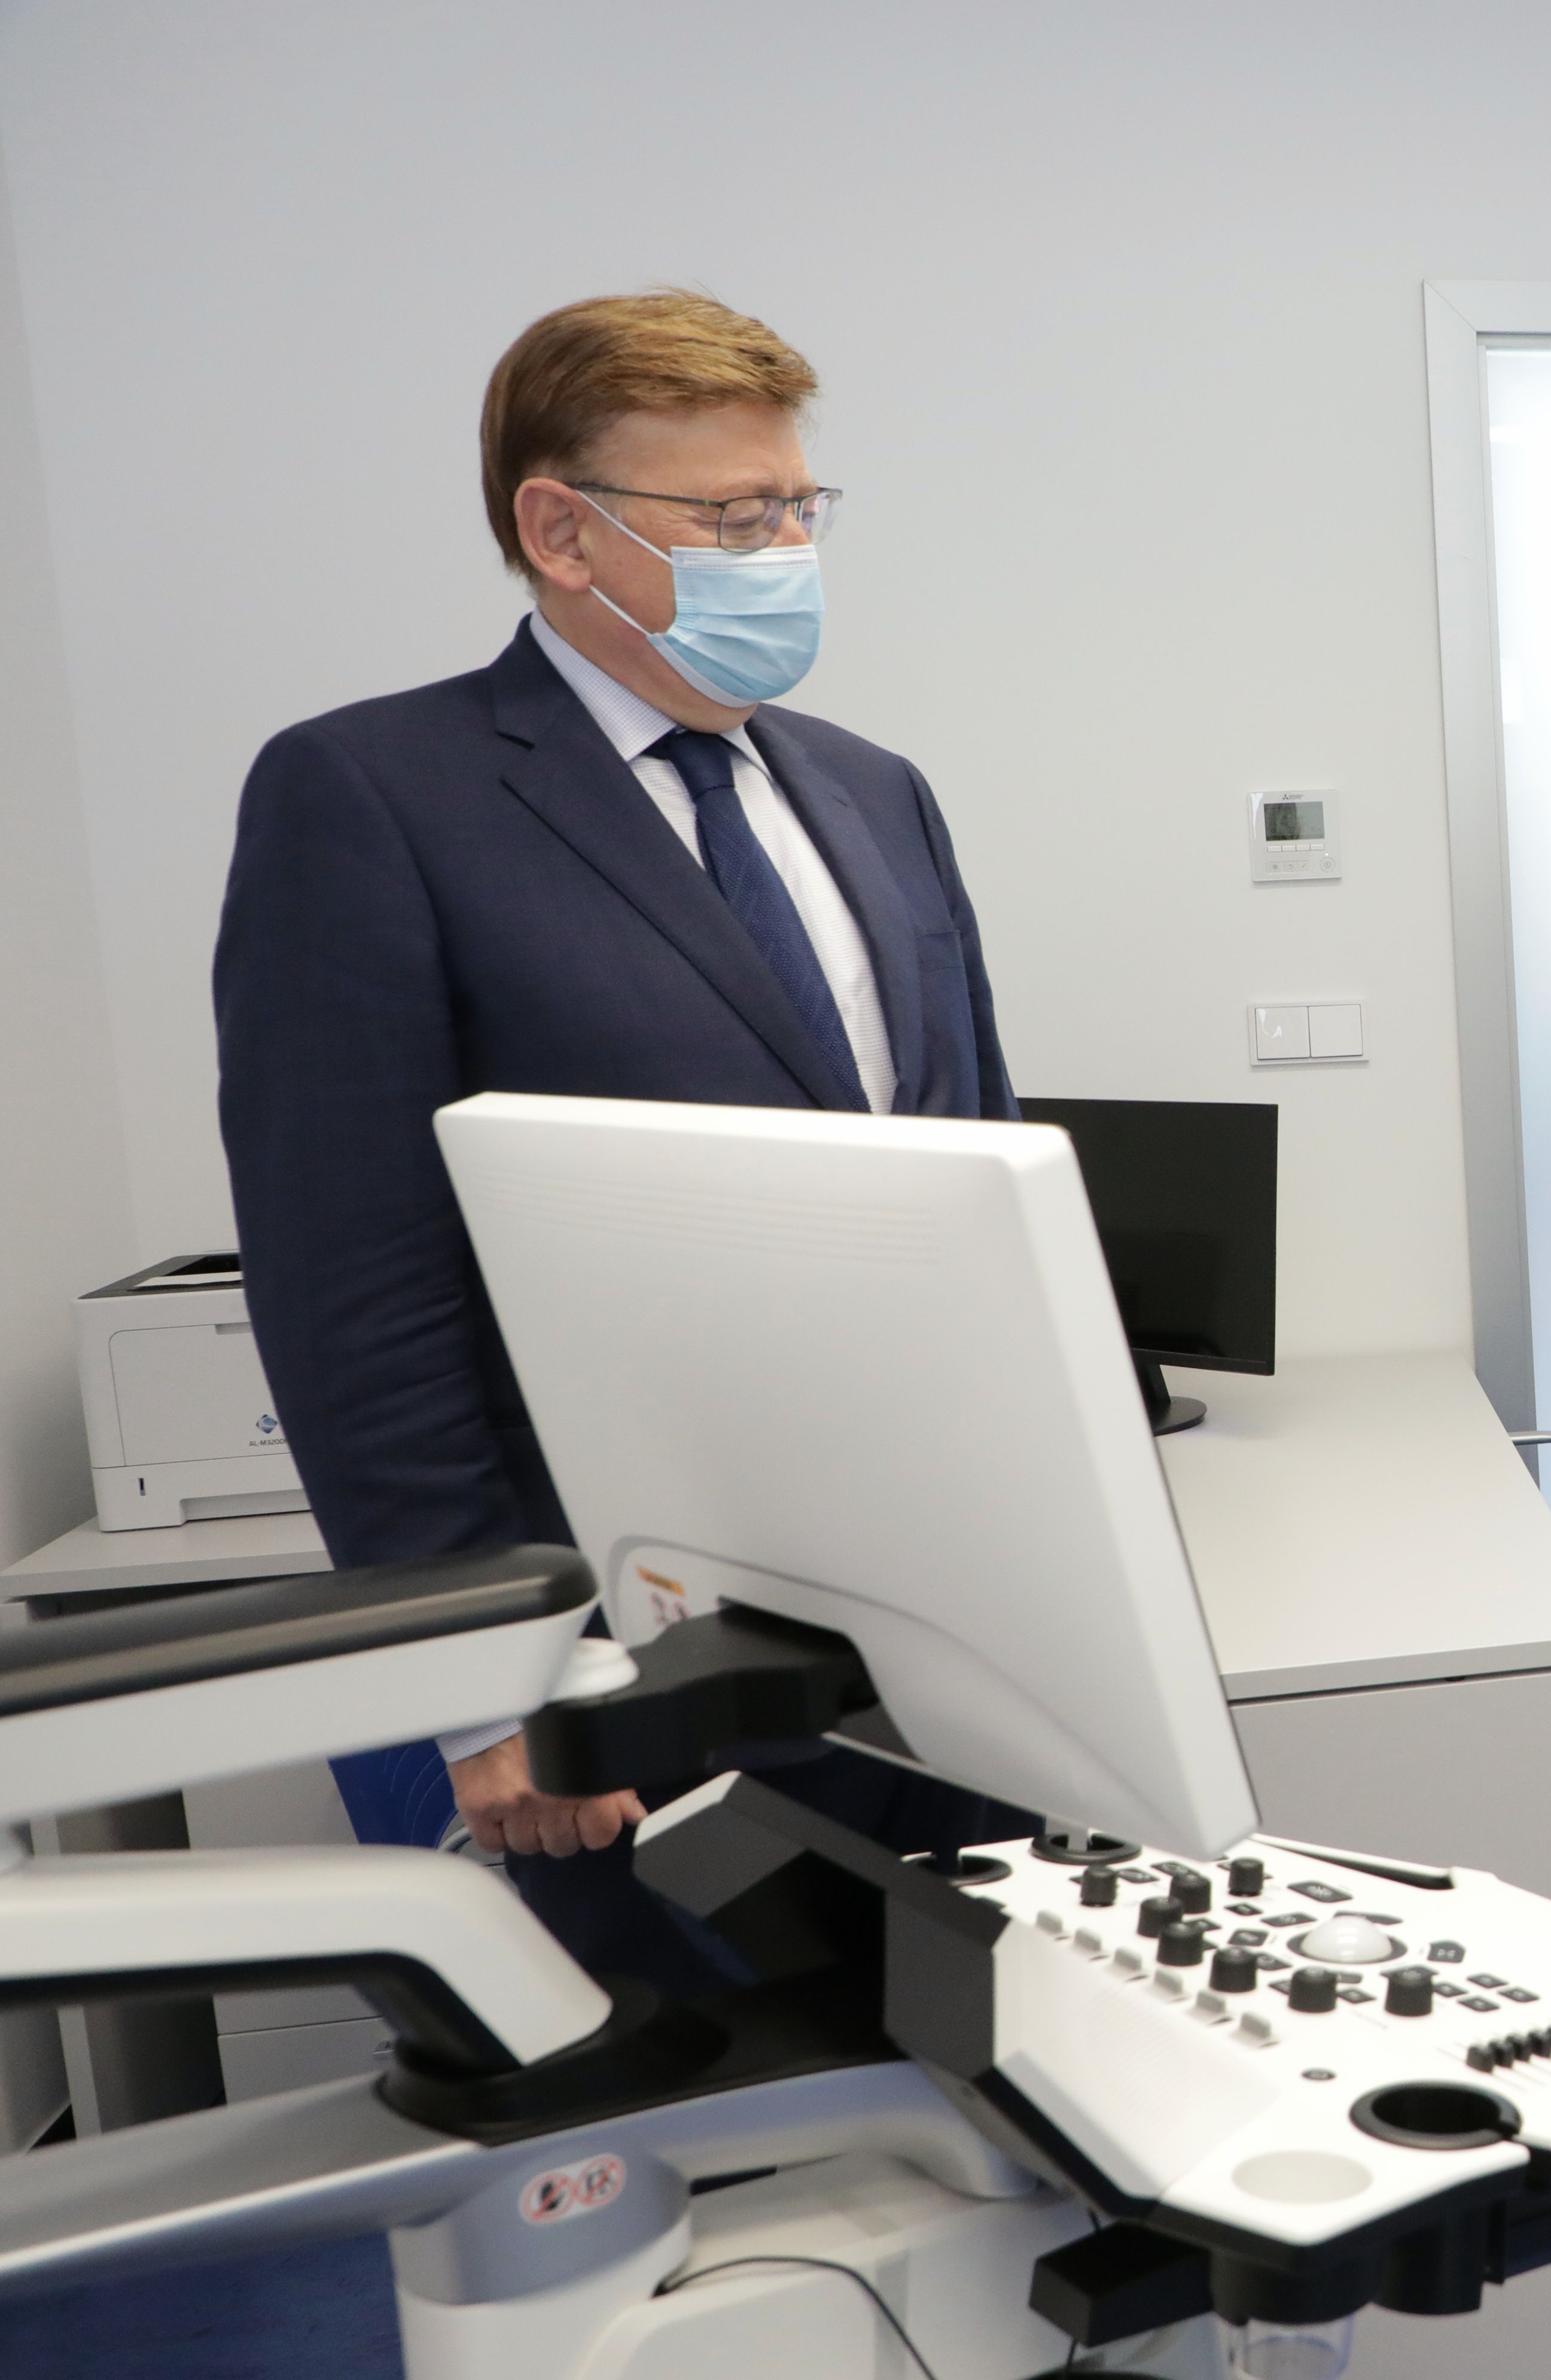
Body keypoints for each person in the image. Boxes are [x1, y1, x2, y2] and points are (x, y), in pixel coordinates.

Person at [215, 290, 1025, 1991]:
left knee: (979, 2100)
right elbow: (358, 1290)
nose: (783, 548)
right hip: (610, 1660)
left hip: (923, 1627)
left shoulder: (872, 791)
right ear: (558, 531)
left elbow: (975, 1176)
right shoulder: (372, 797)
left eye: (799, 507)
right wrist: (478, 1685)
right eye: (731, 518)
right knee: (690, 2144)